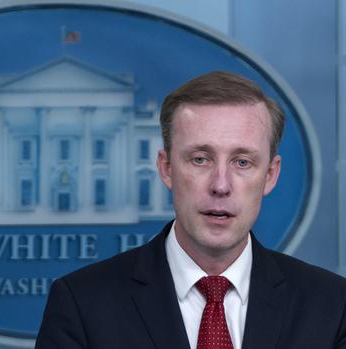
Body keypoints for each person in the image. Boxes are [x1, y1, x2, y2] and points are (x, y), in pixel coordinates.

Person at [35, 71, 346, 349]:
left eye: (242, 162)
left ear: (270, 175)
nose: (221, 185)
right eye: (200, 159)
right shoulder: (82, 303)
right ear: (166, 168)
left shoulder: (331, 305)